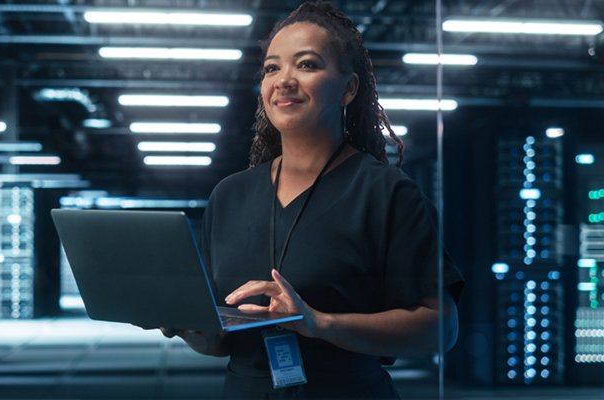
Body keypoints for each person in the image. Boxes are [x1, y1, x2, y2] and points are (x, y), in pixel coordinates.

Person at [162, 1, 464, 398]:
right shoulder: (230, 196)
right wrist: (189, 327)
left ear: (348, 89)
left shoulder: (387, 194)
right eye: (272, 68)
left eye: (306, 65)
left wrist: (318, 322)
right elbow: (221, 344)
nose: (283, 80)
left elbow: (441, 328)